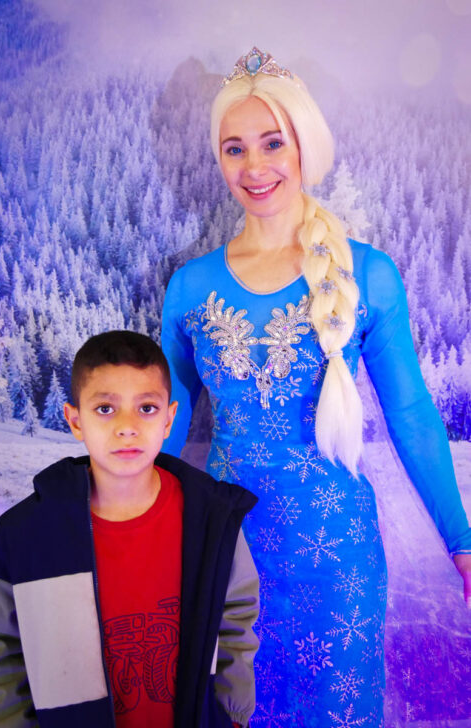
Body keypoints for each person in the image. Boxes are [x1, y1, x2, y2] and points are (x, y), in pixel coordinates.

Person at [161, 47, 471, 727]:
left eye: (272, 142)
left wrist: (462, 540)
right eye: (234, 148)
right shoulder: (189, 287)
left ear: (304, 142)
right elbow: (167, 424)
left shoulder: (370, 274)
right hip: (227, 555)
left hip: (339, 565)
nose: (254, 166)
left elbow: (411, 414)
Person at [0, 330, 259, 728]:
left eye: (146, 408)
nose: (127, 427)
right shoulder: (23, 536)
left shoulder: (212, 519)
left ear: (169, 419)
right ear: (75, 421)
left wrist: (231, 716)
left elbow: (236, 621)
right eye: (105, 409)